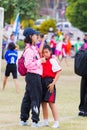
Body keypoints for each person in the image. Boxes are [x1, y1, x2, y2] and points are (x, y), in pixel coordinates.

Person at [20, 28, 45, 127]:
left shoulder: (33, 48)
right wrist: (40, 61)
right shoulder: (29, 50)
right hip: (33, 76)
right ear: (30, 36)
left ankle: (23, 119)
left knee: (28, 98)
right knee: (36, 97)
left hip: (33, 76)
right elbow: (28, 64)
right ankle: (35, 121)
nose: (37, 36)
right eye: (35, 35)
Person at [41, 45, 62, 128]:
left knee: (51, 103)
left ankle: (56, 122)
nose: (44, 54)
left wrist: (53, 83)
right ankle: (45, 121)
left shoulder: (52, 60)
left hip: (50, 83)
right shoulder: (42, 60)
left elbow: (59, 71)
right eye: (43, 52)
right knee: (43, 103)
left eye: (46, 52)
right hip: (42, 82)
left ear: (50, 52)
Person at [78, 34, 87, 117]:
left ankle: (82, 109)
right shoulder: (84, 46)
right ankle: (84, 109)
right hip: (84, 72)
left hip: (84, 72)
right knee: (84, 91)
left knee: (83, 91)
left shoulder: (83, 46)